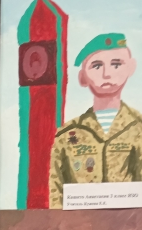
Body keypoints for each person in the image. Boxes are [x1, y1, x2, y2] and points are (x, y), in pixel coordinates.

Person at [49, 33, 142, 209]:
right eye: (97, 66)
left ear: (131, 68)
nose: (107, 74)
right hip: (78, 223)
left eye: (116, 64)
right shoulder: (67, 134)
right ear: (82, 77)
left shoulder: (138, 128)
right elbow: (55, 193)